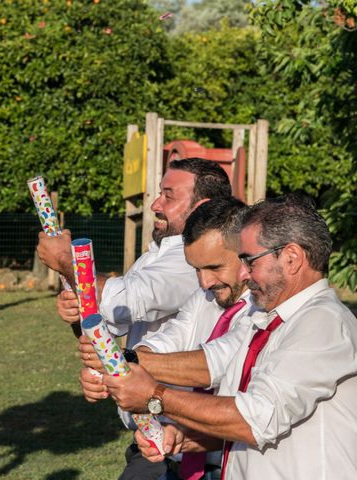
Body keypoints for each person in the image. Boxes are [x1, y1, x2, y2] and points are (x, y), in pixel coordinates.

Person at [103, 195, 357, 479]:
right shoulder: (267, 321)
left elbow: (253, 419)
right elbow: (246, 423)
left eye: (249, 261)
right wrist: (184, 438)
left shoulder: (322, 323)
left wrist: (155, 396)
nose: (243, 274)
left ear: (292, 258)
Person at [39, 158, 233, 479]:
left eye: (169, 196)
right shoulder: (155, 257)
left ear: (204, 206)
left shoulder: (189, 259)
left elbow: (128, 299)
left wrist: (64, 260)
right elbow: (113, 325)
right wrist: (106, 362)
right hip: (157, 440)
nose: (156, 204)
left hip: (196, 443)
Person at [80, 196, 253, 479]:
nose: (204, 281)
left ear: (245, 255)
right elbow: (166, 342)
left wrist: (123, 361)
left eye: (214, 267)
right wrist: (109, 372)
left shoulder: (263, 310)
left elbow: (214, 365)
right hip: (176, 454)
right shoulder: (203, 297)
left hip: (231, 465)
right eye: (196, 269)